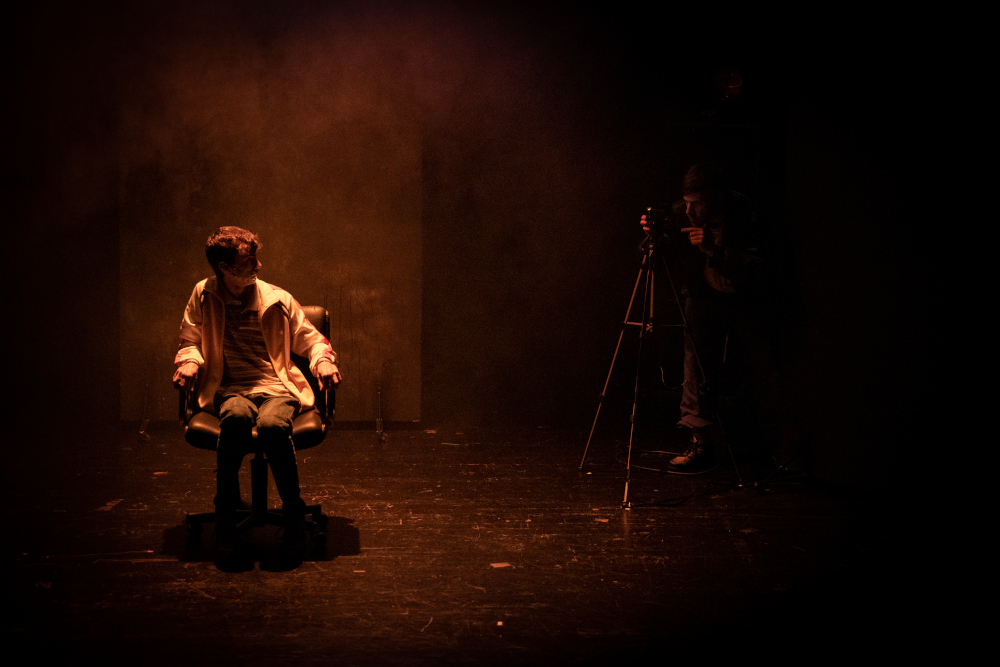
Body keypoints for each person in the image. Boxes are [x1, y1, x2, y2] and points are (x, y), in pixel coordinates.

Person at [172, 226, 341, 564]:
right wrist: (189, 362)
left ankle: (293, 519)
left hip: (278, 387)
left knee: (273, 425)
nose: (258, 266)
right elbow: (189, 340)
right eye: (249, 261)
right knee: (235, 417)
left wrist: (323, 362)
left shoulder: (277, 299)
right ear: (225, 268)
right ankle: (226, 521)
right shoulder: (204, 294)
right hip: (230, 388)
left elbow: (312, 340)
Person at [641, 164, 764, 472]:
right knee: (695, 367)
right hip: (703, 296)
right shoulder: (682, 212)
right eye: (686, 202)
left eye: (698, 203)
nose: (689, 210)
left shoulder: (747, 216)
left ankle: (760, 447)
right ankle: (701, 445)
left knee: (756, 369)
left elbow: (759, 269)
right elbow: (664, 253)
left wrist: (714, 252)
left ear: (718, 199)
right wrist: (654, 234)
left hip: (745, 298)